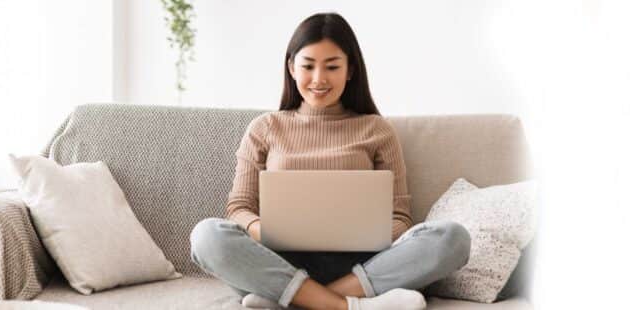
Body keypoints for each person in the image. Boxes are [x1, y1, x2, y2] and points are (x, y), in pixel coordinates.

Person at [190, 12, 471, 310]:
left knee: (452, 238)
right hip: (277, 262)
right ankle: (346, 306)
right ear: (291, 68)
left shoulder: (377, 130)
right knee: (207, 236)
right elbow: (239, 209)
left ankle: (295, 300)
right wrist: (266, 230)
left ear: (350, 69)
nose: (318, 79)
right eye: (308, 66)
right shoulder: (264, 128)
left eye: (332, 66)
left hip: (362, 267)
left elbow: (400, 218)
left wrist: (363, 233)